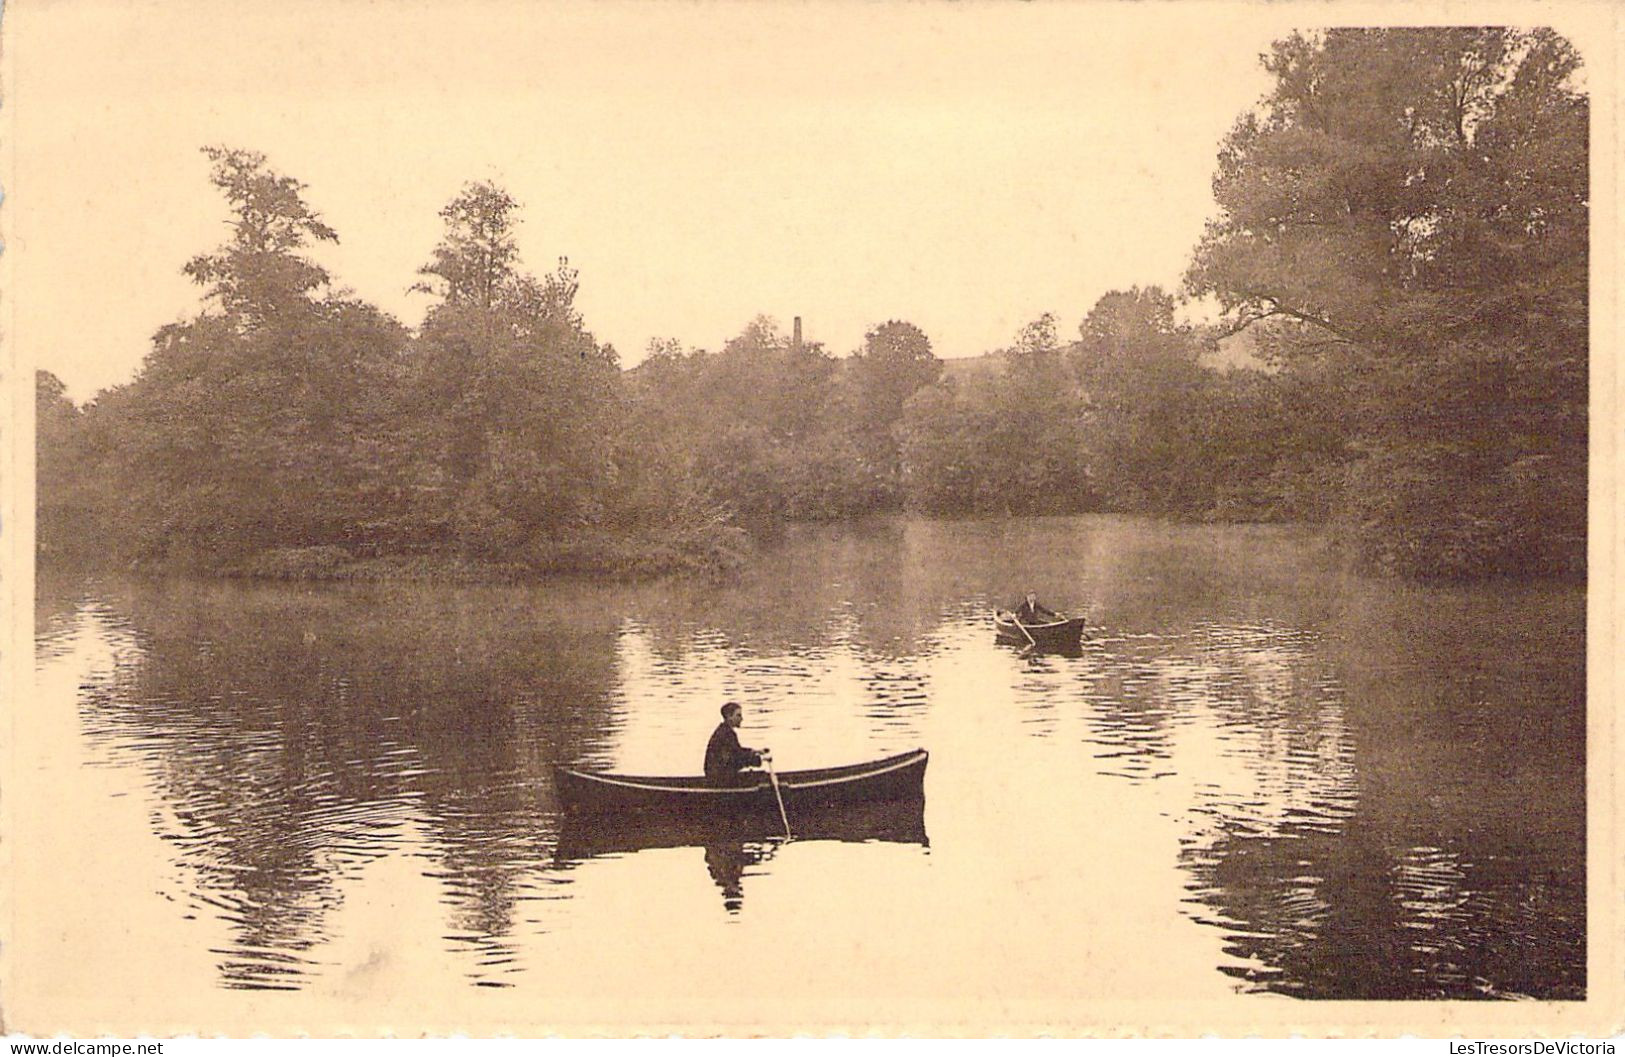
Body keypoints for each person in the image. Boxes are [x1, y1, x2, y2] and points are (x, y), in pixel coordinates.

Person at [704, 701, 768, 782]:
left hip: (718, 775)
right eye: (738, 715)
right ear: (729, 717)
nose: (741, 719)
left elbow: (736, 751)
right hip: (719, 779)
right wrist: (759, 759)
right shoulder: (726, 734)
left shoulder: (725, 731)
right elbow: (736, 759)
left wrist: (754, 751)